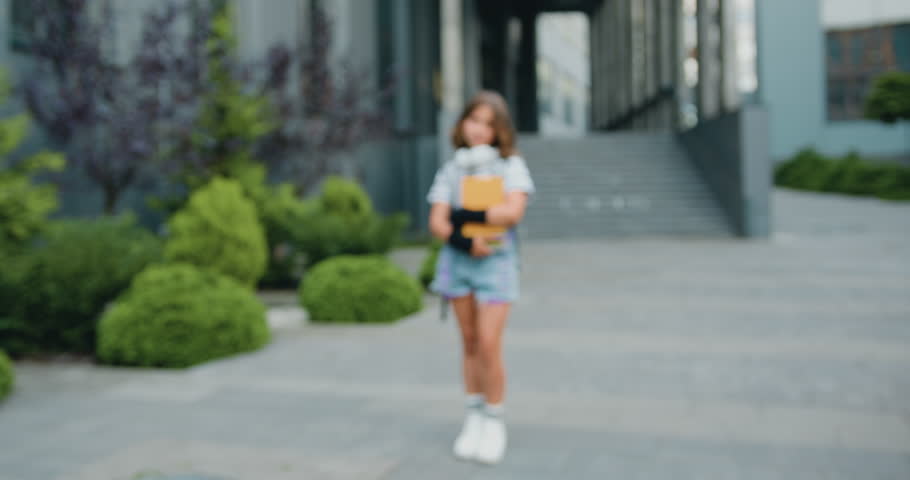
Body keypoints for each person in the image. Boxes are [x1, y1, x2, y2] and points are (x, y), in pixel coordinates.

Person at [426, 90, 535, 464]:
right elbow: (437, 222)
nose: (480, 129)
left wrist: (462, 215)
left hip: (497, 264)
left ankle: (494, 419)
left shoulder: (510, 166)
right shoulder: (451, 169)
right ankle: (473, 417)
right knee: (470, 342)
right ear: (462, 123)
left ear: (499, 130)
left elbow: (512, 212)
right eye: (475, 120)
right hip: (459, 261)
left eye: (489, 123)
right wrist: (462, 234)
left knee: (489, 343)